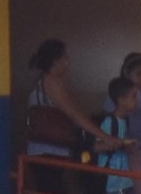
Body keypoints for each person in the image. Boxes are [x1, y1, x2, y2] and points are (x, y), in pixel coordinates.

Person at [23, 39, 94, 167]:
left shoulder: (47, 80)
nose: (67, 62)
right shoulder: (51, 81)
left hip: (48, 150)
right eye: (65, 57)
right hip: (48, 151)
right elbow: (73, 114)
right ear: (56, 60)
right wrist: (103, 136)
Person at [95, 57, 141, 194]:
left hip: (125, 174)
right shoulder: (111, 121)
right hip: (114, 178)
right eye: (138, 74)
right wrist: (122, 143)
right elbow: (97, 146)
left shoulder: (127, 117)